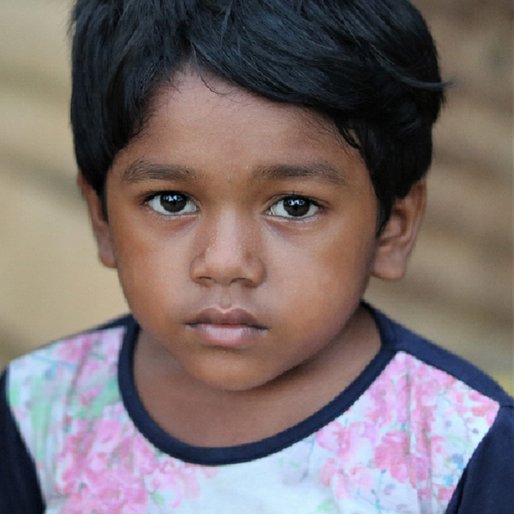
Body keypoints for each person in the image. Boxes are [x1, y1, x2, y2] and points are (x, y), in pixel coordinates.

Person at [1, 0, 512, 512]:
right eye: (171, 201)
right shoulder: (42, 410)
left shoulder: (459, 444)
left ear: (392, 230)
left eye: (295, 206)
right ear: (102, 219)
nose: (225, 263)